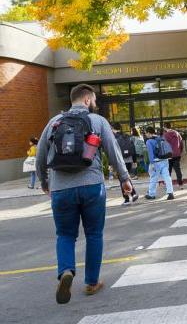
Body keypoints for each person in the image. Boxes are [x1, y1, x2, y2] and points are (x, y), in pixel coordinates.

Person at [35, 84, 132, 304]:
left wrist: (44, 181)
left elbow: (41, 155)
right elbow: (113, 151)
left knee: (65, 235)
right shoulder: (98, 122)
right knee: (94, 234)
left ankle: (66, 271)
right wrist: (124, 179)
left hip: (60, 187)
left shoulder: (54, 123)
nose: (95, 103)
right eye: (94, 100)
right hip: (92, 185)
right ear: (87, 100)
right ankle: (91, 282)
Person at [111, 122, 139, 205]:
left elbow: (113, 152)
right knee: (126, 178)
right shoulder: (127, 136)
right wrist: (134, 161)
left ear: (113, 128)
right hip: (129, 160)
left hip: (120, 161)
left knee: (122, 180)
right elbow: (133, 149)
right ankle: (133, 194)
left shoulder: (114, 138)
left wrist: (110, 164)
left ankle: (127, 198)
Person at [144, 126, 175, 201]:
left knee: (153, 178)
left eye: (146, 133)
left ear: (148, 133)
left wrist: (152, 164)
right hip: (164, 160)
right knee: (167, 177)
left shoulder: (149, 141)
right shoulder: (160, 138)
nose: (145, 134)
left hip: (156, 162)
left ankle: (151, 194)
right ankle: (170, 193)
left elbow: (150, 154)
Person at [163, 122, 184, 187]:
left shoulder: (165, 135)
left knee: (168, 171)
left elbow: (164, 146)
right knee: (178, 169)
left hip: (169, 155)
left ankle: (168, 185)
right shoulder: (177, 133)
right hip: (177, 154)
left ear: (165, 127)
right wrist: (180, 151)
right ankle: (180, 184)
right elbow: (181, 143)